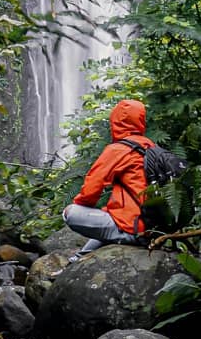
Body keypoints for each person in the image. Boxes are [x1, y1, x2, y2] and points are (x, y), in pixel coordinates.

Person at [62, 98, 154, 259]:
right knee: (111, 219)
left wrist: (84, 207)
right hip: (152, 229)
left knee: (71, 212)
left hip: (132, 229)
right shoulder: (151, 147)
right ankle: (77, 261)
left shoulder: (118, 149)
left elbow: (91, 190)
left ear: (115, 121)